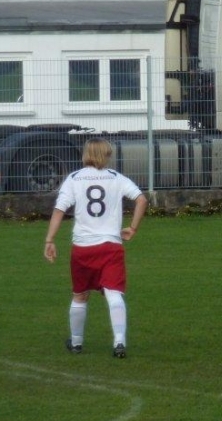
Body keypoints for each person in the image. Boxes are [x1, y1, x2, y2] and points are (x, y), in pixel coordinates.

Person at [44, 137, 148, 359]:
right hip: (110, 246)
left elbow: (59, 210)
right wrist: (133, 228)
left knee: (80, 294)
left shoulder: (74, 179)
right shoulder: (116, 178)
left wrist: (50, 240)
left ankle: (76, 343)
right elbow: (141, 199)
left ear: (86, 154)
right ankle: (119, 342)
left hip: (83, 248)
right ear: (107, 154)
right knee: (114, 292)